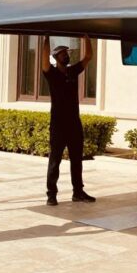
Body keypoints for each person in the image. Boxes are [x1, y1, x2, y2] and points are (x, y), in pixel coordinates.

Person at [42, 35, 96, 206]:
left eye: (67, 53)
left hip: (74, 124)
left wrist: (86, 38)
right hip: (58, 125)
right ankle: (51, 195)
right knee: (55, 161)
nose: (66, 55)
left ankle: (78, 192)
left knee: (77, 160)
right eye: (63, 53)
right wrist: (46, 36)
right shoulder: (51, 73)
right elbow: (43, 60)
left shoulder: (73, 71)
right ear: (56, 58)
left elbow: (88, 57)